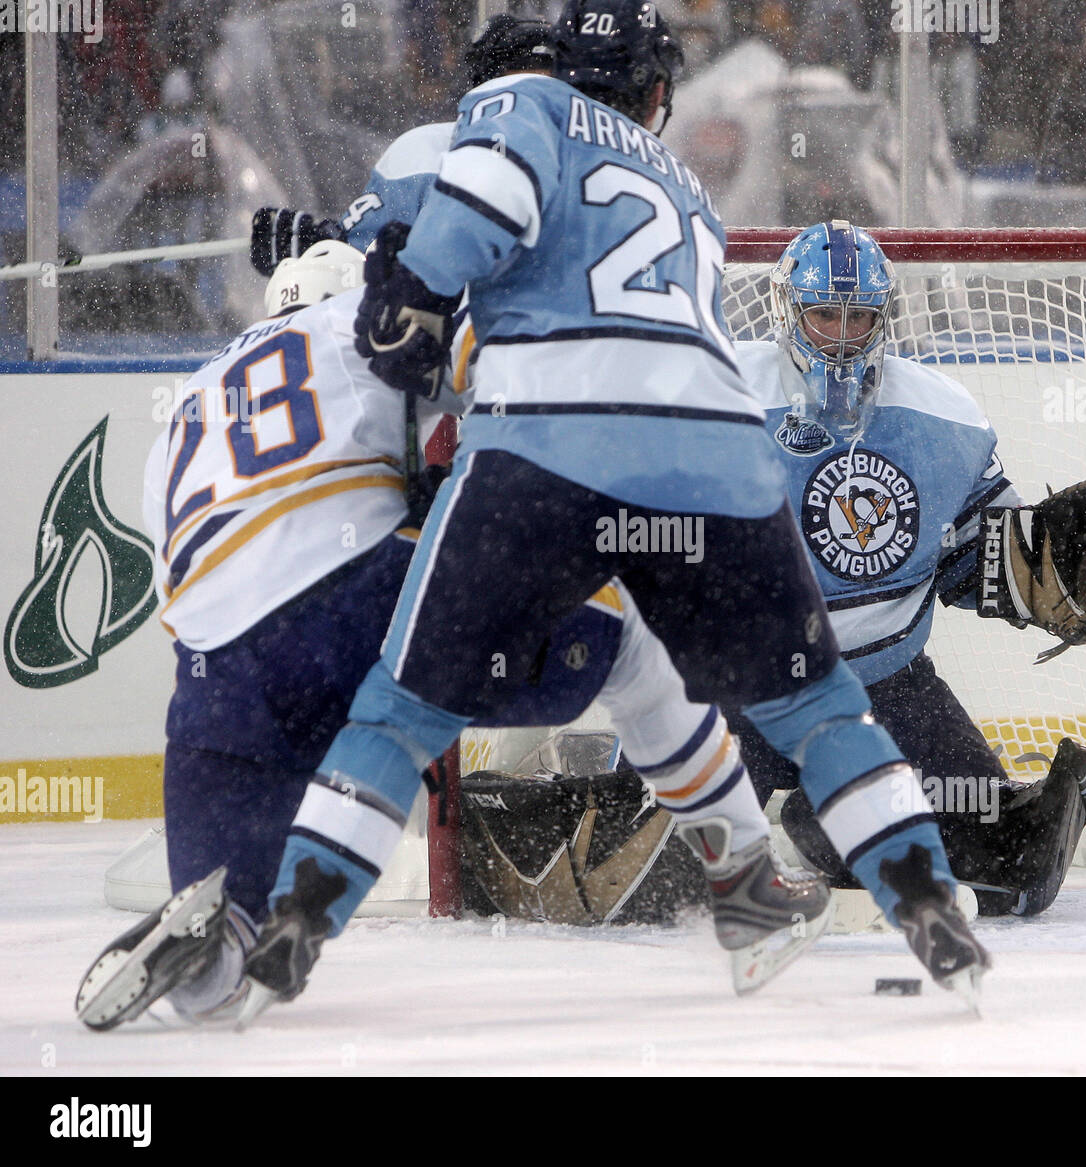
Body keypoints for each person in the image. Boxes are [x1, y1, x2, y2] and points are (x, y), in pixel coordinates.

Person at [234, 0, 989, 1028]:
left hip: (548, 445)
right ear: (658, 94)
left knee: (403, 710)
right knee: (817, 711)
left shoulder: (517, 104)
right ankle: (929, 904)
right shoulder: (691, 193)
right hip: (717, 457)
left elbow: (472, 226)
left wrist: (398, 289)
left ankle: (297, 919)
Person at [75, 240, 829, 1031]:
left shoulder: (190, 400)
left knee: (226, 967)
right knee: (631, 631)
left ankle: (215, 946)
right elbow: (512, 364)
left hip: (215, 682)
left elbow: (190, 580)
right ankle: (750, 882)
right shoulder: (359, 320)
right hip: (353, 605)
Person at [718, 220, 1086, 917]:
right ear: (787, 311)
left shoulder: (942, 418)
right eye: (823, 313)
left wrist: (1049, 572)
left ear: (883, 316)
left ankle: (830, 816)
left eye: (859, 314)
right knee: (653, 877)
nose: (842, 335)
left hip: (887, 690)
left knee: (1011, 868)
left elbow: (983, 563)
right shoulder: (717, 397)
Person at [248, 13, 555, 274]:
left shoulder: (591, 154)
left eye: (550, 93)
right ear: (480, 92)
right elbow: (360, 257)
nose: (530, 111)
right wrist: (318, 252)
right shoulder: (427, 152)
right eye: (518, 91)